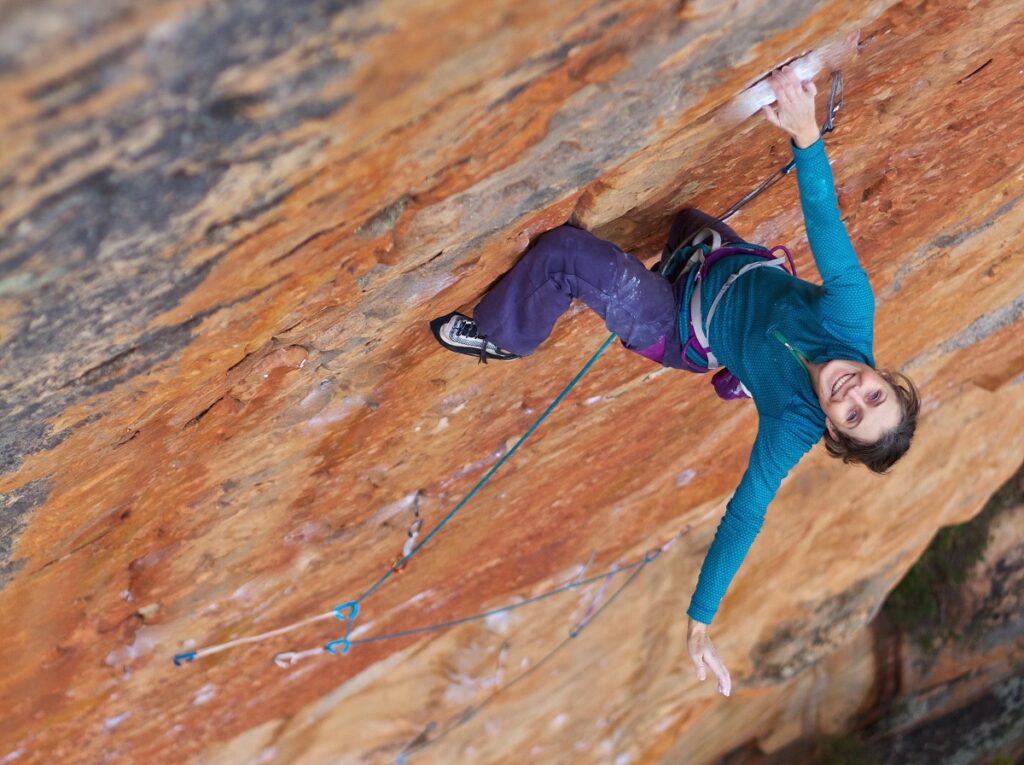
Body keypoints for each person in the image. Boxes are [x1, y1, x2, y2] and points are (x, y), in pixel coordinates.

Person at [429, 66, 920, 698]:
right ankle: (722, 340)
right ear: (882, 374)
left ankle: (503, 336)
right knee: (684, 218)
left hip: (680, 329)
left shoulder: (791, 427)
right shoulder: (852, 315)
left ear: (831, 426)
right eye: (873, 395)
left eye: (852, 415)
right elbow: (824, 220)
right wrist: (804, 134)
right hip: (721, 262)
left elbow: (746, 514)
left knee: (567, 256)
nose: (853, 395)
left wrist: (700, 623)